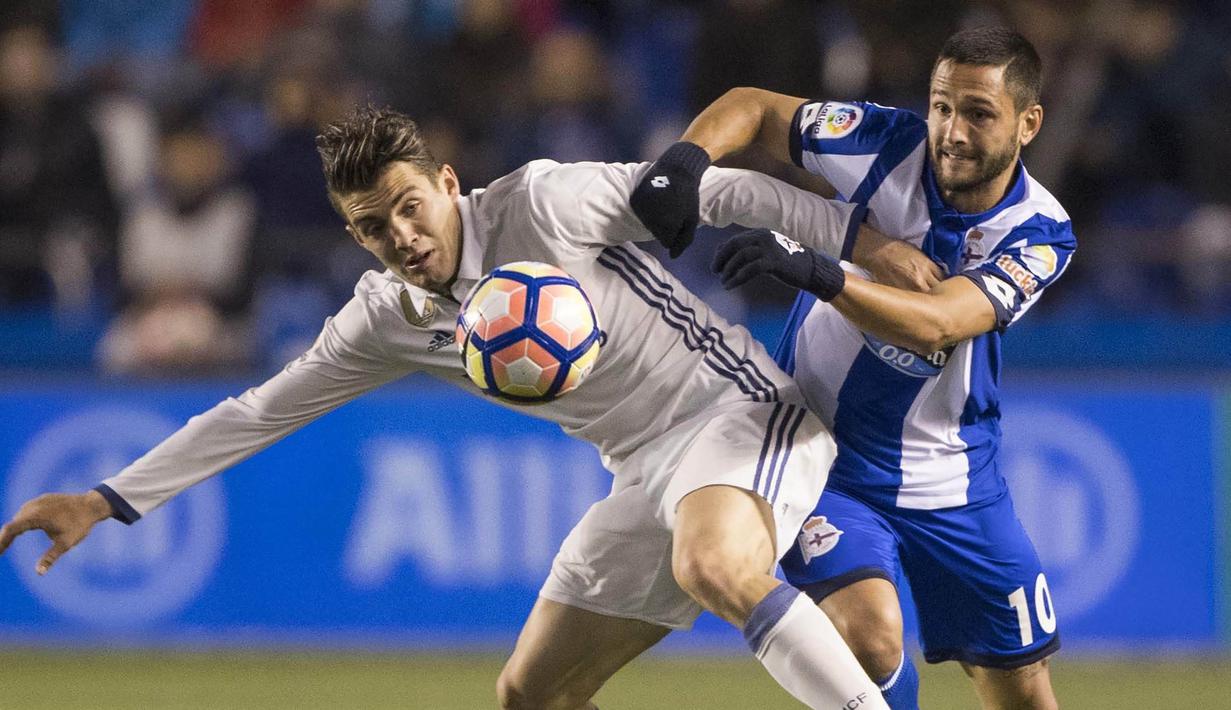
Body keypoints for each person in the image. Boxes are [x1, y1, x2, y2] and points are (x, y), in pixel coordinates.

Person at [0, 106, 942, 710]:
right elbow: (259, 410)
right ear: (351, 232)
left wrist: (862, 244)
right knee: (527, 697)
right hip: (641, 472)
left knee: (714, 561)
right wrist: (107, 497)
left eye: (410, 206)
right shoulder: (384, 318)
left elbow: (720, 187)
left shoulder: (543, 203)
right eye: (373, 227)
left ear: (447, 183)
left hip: (738, 413)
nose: (401, 237)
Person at [631, 26, 1072, 710]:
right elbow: (753, 108)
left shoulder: (1039, 232)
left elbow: (940, 322)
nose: (951, 132)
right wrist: (684, 163)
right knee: (868, 641)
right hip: (821, 455)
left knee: (1023, 694)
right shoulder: (884, 141)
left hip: (956, 480)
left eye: (978, 114)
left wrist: (816, 268)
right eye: (941, 107)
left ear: (1028, 123)